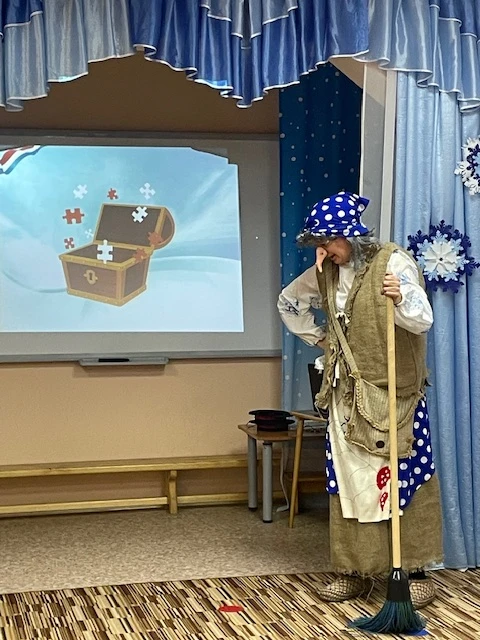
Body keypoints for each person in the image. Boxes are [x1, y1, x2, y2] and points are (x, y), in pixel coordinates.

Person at [278, 191, 443, 609]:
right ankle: (354, 570)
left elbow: (423, 320)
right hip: (345, 396)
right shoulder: (325, 272)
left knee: (402, 478)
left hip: (393, 395)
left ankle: (414, 570)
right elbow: (288, 303)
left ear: (349, 236)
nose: (323, 250)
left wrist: (401, 298)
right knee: (351, 482)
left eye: (328, 241)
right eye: (318, 242)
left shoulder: (394, 262)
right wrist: (323, 339)